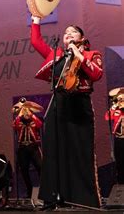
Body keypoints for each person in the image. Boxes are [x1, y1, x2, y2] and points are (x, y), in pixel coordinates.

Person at [30, 16, 103, 207]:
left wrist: (79, 56)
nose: (68, 34)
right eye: (65, 33)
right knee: (54, 151)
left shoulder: (91, 54)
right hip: (59, 105)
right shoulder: (56, 54)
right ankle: (52, 197)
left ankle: (82, 199)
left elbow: (97, 74)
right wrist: (36, 20)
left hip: (79, 106)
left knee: (80, 152)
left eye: (73, 32)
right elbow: (36, 42)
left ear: (82, 37)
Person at [12, 97, 43, 198]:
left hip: (33, 147)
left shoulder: (34, 119)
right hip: (23, 148)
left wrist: (31, 114)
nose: (25, 111)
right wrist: (20, 111)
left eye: (26, 109)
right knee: (24, 170)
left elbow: (39, 124)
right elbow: (15, 125)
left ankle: (43, 190)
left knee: (40, 167)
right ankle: (29, 190)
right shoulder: (18, 120)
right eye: (23, 110)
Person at [105, 87, 124, 184]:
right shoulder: (117, 110)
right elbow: (107, 117)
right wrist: (115, 105)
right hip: (119, 139)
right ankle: (121, 181)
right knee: (120, 160)